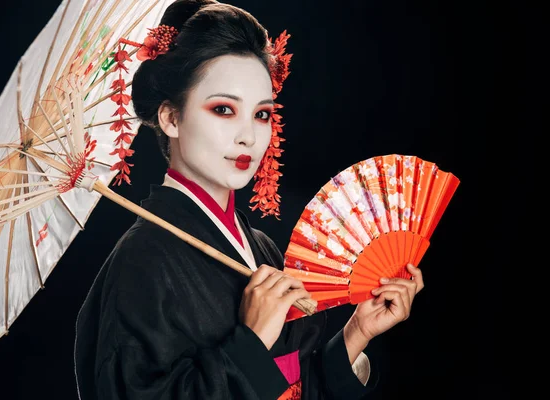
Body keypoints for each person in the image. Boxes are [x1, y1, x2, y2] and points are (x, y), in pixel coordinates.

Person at [73, 1, 425, 399]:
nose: (249, 137)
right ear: (171, 118)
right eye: (223, 109)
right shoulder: (141, 262)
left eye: (261, 115)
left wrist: (358, 331)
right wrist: (251, 342)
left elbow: (293, 385)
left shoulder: (262, 248)